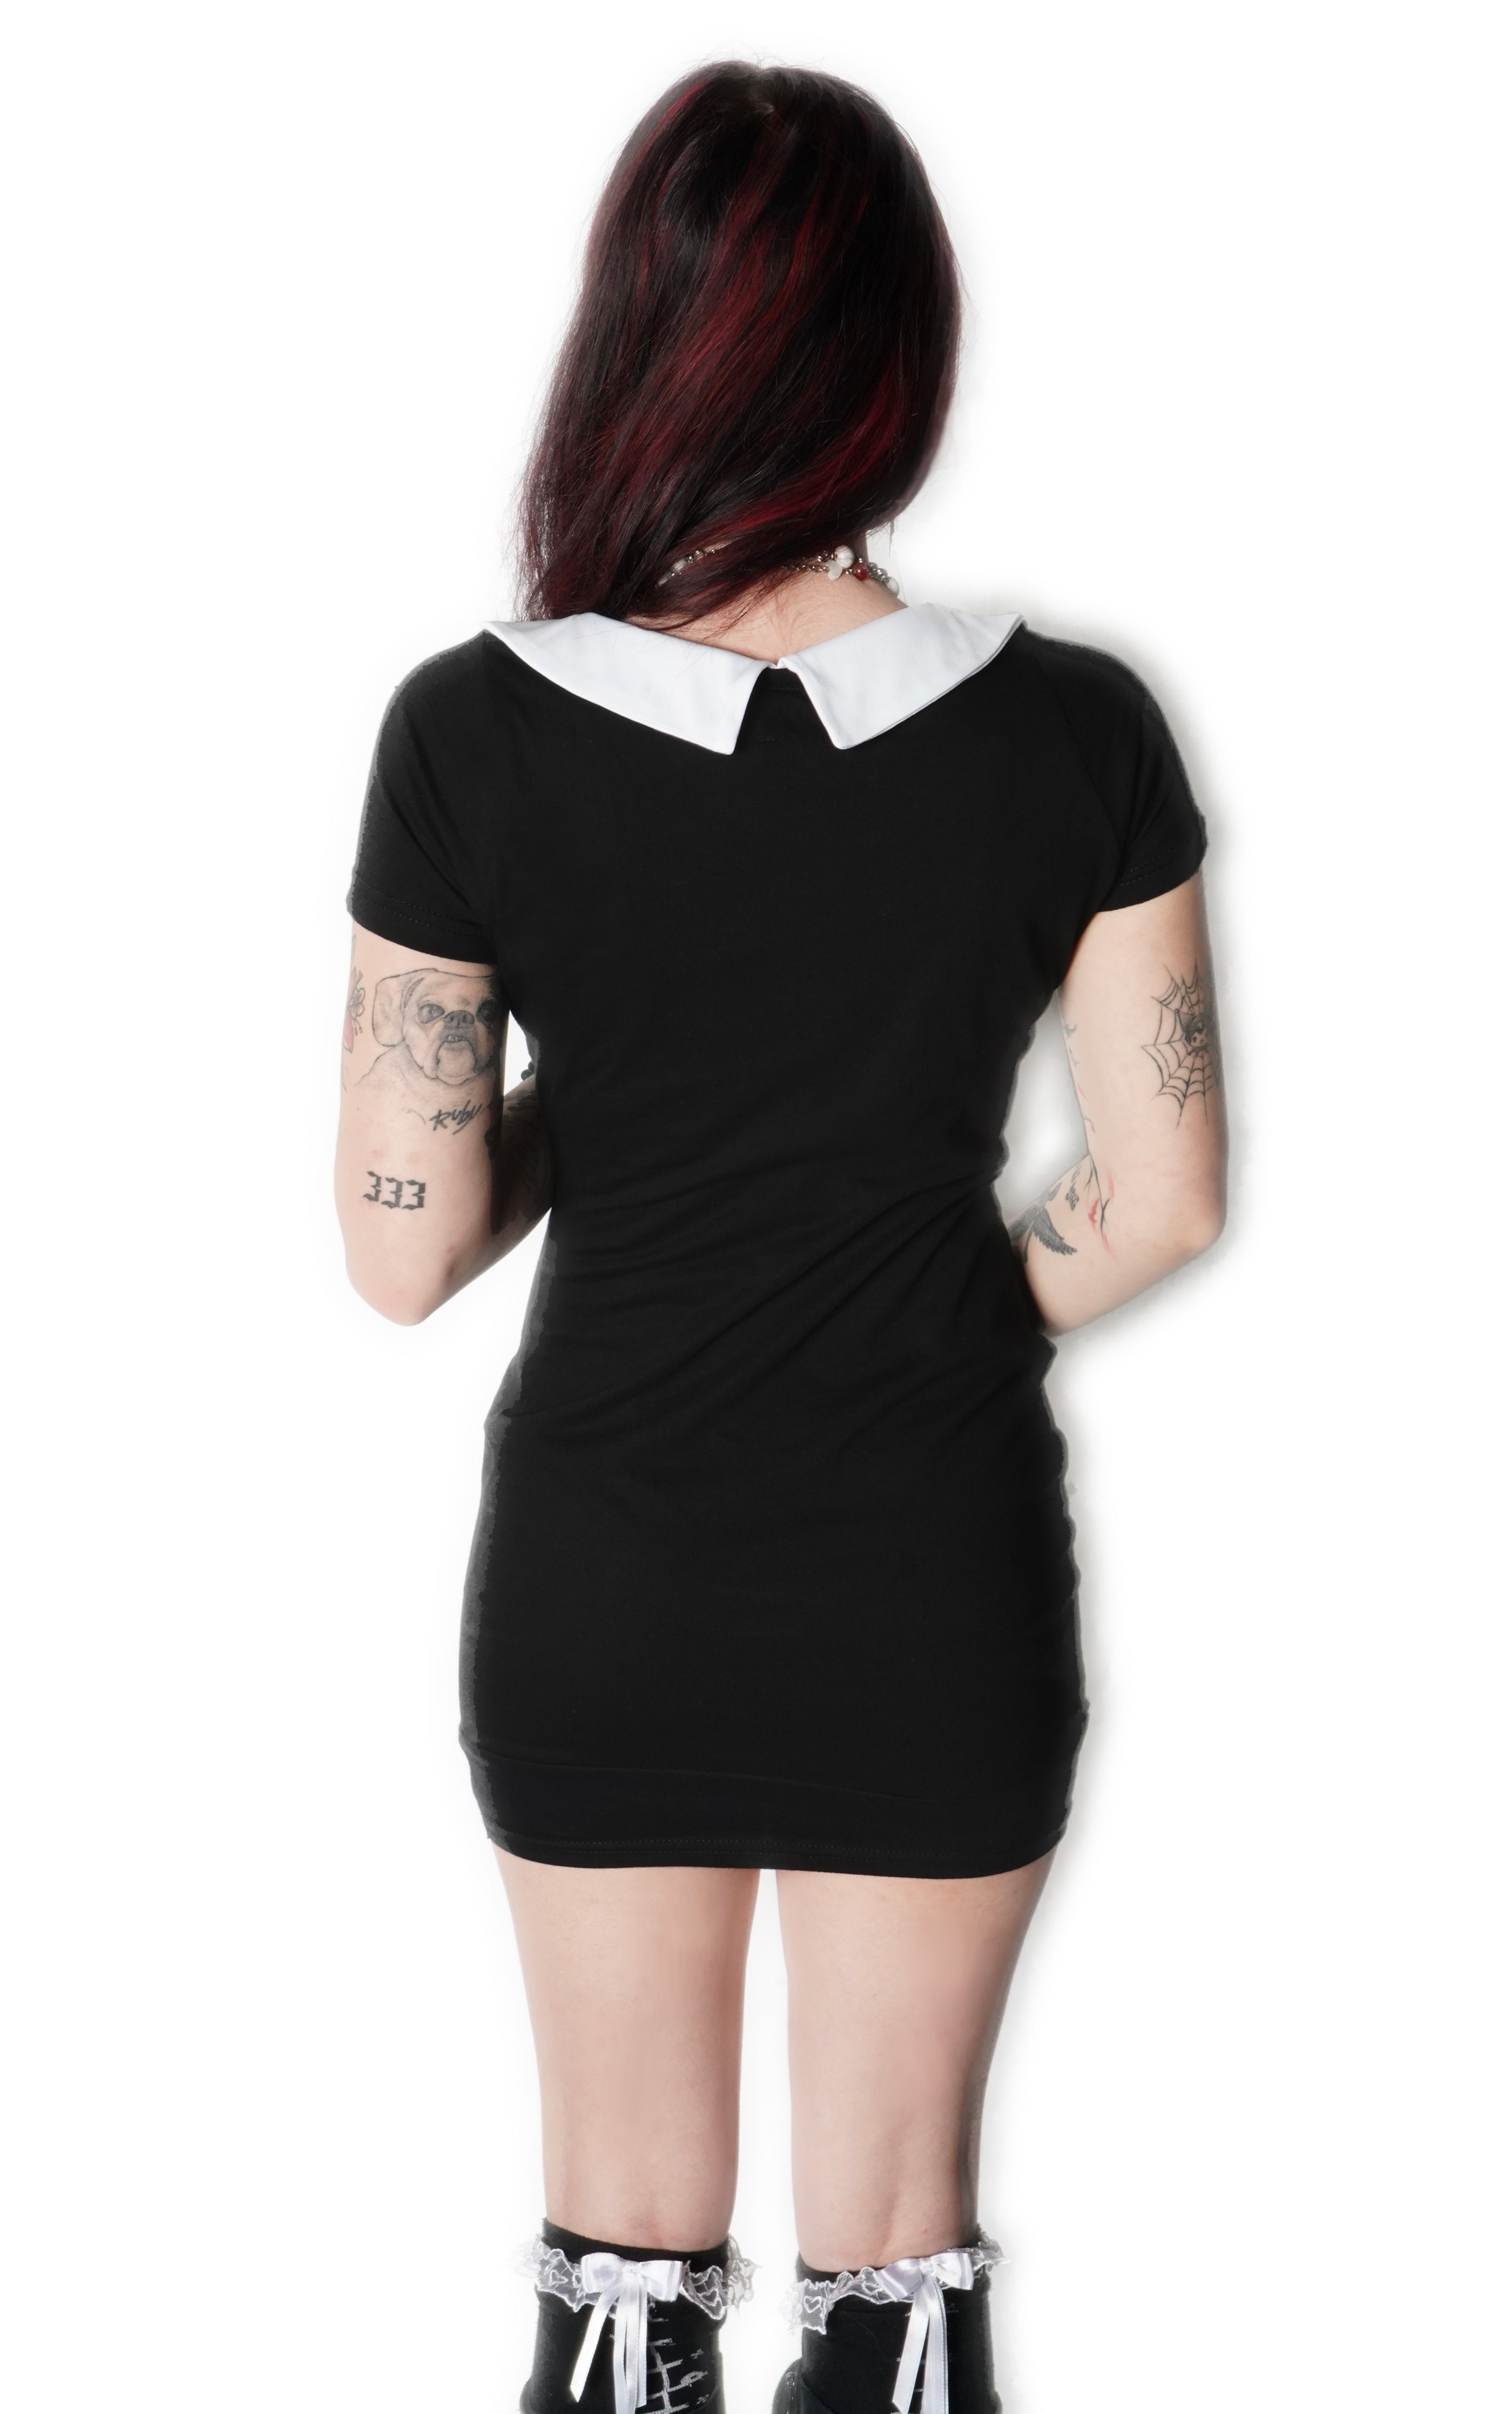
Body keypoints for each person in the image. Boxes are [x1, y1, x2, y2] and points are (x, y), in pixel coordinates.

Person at [335, 59, 1226, 2414]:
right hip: (932, 1564)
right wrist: (944, 1290)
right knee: (896, 2295)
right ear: (900, 356)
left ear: (631, 334)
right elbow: (1163, 1195)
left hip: (608, 1572)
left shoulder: (471, 735)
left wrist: (630, 1092)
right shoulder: (1075, 731)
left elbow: (405, 1246)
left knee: (616, 2290)